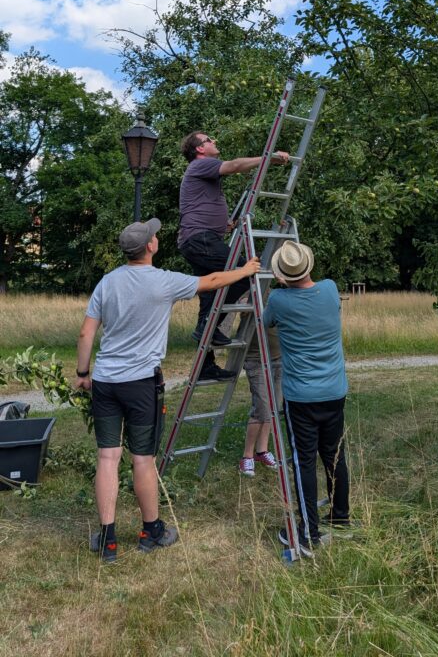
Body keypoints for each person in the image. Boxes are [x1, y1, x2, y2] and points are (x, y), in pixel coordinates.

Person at [75, 217, 261, 562]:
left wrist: (83, 373)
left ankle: (108, 539)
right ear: (149, 246)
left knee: (107, 457)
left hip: (106, 381)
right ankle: (152, 530)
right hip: (141, 382)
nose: (157, 237)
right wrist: (247, 269)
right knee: (142, 459)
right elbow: (215, 280)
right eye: (154, 235)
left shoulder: (107, 282)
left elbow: (86, 334)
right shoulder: (163, 282)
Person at [177, 131, 290, 378]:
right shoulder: (201, 165)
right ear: (199, 149)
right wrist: (268, 158)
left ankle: (205, 366)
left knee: (208, 298)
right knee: (244, 273)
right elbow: (236, 166)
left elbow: (199, 206)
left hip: (201, 239)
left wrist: (223, 225)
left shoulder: (200, 169)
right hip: (200, 240)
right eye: (208, 140)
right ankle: (208, 327)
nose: (214, 141)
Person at [263, 240, 350, 557]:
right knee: (335, 456)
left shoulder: (278, 299)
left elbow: (264, 323)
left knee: (303, 463)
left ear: (282, 275)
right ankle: (340, 518)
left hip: (301, 397)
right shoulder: (330, 289)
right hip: (334, 391)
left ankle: (309, 534)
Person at [239, 324, 282, 476]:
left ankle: (261, 451)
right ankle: (247, 456)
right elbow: (241, 305)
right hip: (256, 358)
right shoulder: (252, 298)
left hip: (278, 357)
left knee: (273, 408)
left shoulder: (279, 298)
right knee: (261, 408)